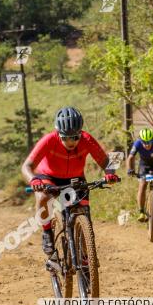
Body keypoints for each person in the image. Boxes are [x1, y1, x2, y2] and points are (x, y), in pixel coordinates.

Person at [21, 107, 119, 256]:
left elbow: (107, 161)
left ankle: (86, 258)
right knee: (43, 197)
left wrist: (110, 174)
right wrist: (33, 180)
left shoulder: (87, 139)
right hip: (48, 177)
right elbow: (26, 166)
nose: (70, 141)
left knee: (84, 215)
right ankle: (47, 231)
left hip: (75, 178)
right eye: (65, 137)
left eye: (75, 137)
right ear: (58, 133)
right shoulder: (49, 140)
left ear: (81, 132)